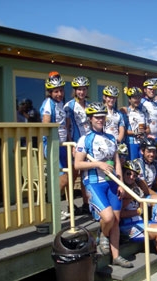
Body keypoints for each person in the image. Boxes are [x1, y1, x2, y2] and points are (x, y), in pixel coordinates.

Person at [74, 102, 133, 268]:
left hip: (112, 182)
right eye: (96, 117)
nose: (100, 119)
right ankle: (103, 234)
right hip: (94, 182)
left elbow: (116, 162)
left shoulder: (111, 138)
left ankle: (116, 256)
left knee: (116, 219)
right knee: (107, 217)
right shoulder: (85, 139)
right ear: (90, 119)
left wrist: (120, 182)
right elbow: (77, 164)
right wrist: (98, 164)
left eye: (102, 117)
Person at [40, 71, 69, 220]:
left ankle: (53, 206)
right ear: (50, 92)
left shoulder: (61, 104)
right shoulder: (48, 104)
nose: (59, 94)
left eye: (61, 91)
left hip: (63, 145)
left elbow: (65, 125)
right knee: (63, 178)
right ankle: (51, 208)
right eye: (56, 91)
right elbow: (46, 124)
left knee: (66, 177)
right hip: (52, 145)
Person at [64, 76, 91, 215]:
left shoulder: (89, 104)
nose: (81, 92)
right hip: (75, 143)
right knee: (73, 175)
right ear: (75, 90)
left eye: (84, 89)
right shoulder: (69, 106)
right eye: (79, 89)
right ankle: (70, 204)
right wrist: (72, 146)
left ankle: (86, 203)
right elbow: (67, 127)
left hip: (88, 144)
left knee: (85, 175)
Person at [121, 87, 149, 160]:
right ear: (129, 99)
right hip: (130, 144)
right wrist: (137, 132)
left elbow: (148, 129)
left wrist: (143, 132)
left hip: (142, 143)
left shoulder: (143, 112)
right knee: (132, 166)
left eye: (139, 98)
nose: (137, 100)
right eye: (134, 98)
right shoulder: (125, 111)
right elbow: (123, 131)